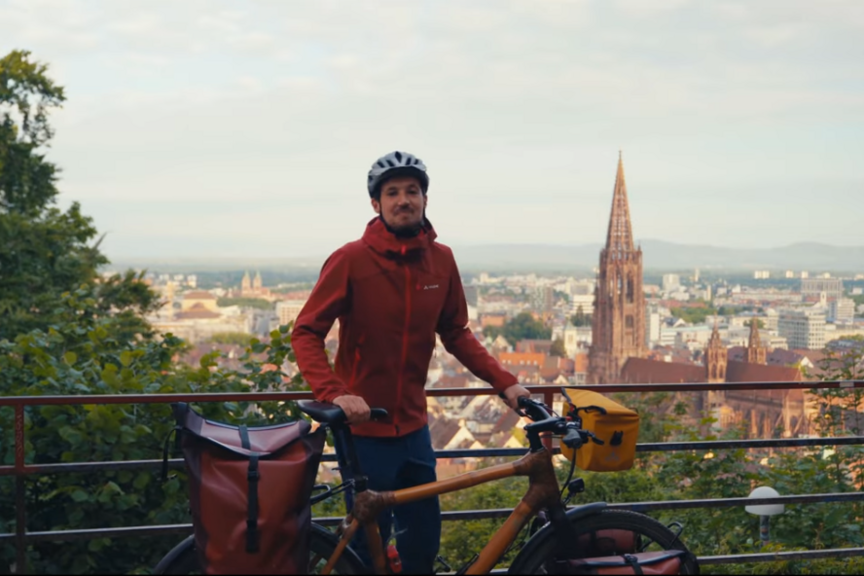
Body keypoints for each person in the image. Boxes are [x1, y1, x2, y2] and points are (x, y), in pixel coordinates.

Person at [291, 150, 529, 573]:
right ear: (376, 204)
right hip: (364, 429)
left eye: (413, 191)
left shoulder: (442, 260)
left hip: (415, 428)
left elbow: (456, 331)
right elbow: (306, 332)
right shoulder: (351, 260)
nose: (404, 199)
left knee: (422, 542)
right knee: (368, 549)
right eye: (393, 192)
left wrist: (505, 382)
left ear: (424, 198)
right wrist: (335, 394)